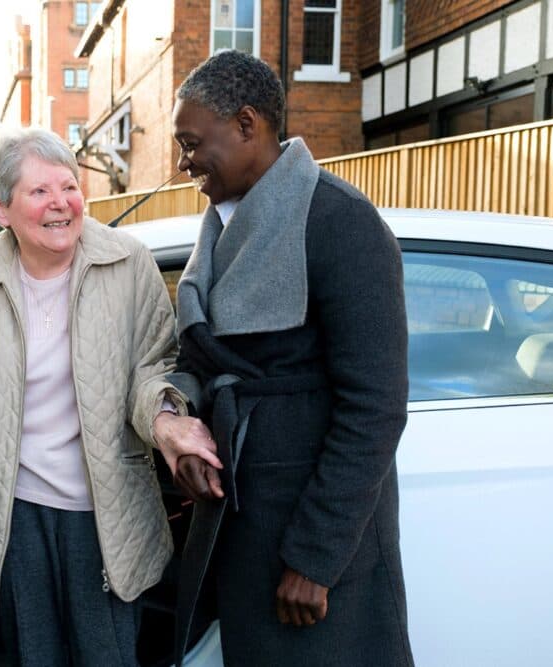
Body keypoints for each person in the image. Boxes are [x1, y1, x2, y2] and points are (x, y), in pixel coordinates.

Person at [0, 127, 216, 666]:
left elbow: (159, 367)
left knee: (107, 656)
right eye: (39, 192)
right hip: (10, 514)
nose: (60, 203)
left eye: (68, 186)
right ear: (0, 208)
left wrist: (166, 418)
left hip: (105, 513)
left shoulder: (128, 264)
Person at [166, 50, 414, 666]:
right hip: (243, 524)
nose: (183, 161)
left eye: (192, 143)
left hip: (316, 546)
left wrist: (315, 556)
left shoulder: (341, 222)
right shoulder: (221, 226)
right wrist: (188, 433)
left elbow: (376, 406)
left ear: (246, 125)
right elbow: (202, 360)